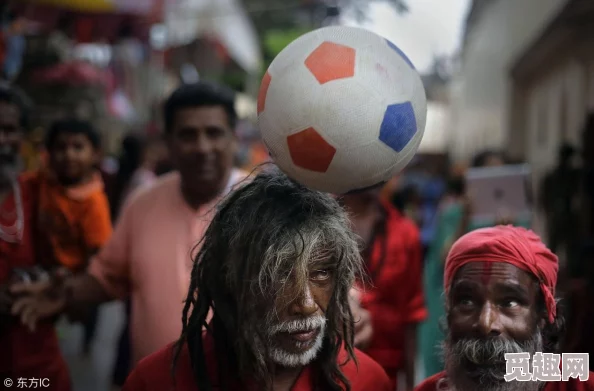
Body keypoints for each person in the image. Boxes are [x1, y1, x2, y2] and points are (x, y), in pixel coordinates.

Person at [10, 81, 247, 367]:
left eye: (214, 133)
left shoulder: (262, 204)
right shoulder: (143, 203)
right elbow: (107, 276)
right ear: (168, 142)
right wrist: (65, 292)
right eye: (188, 135)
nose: (202, 147)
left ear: (234, 138)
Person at [122, 168, 392, 391]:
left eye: (321, 273)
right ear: (230, 279)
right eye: (280, 275)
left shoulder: (368, 382)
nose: (307, 304)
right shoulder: (157, 381)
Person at [415, 225, 594, 391]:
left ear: (543, 316)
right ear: (448, 313)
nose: (486, 323)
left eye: (509, 303)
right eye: (467, 302)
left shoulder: (580, 383)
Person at [0, 84, 70, 389]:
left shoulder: (40, 194)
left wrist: (54, 285)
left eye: (9, 129)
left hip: (35, 367)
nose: (1, 140)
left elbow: (73, 263)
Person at [35, 118, 113, 355]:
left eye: (78, 147)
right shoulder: (43, 182)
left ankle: (87, 341)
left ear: (95, 154)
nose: (68, 155)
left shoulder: (93, 202)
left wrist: (79, 292)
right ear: (49, 153)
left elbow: (97, 254)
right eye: (61, 147)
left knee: (87, 312)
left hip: (77, 275)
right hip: (44, 268)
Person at [341, 187, 426, 390]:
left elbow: (411, 314)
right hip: (332, 361)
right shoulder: (319, 223)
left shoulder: (405, 232)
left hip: (387, 365)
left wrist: (412, 382)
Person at [419, 175, 469, 378]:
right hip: (449, 299)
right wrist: (466, 219)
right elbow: (445, 256)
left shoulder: (518, 217)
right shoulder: (453, 214)